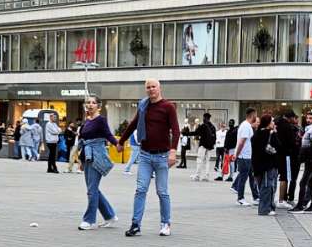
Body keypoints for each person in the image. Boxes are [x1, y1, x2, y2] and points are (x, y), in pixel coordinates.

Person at [119, 79, 180, 237]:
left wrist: (173, 151)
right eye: (148, 87)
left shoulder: (168, 106)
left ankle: (165, 223)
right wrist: (121, 141)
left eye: (154, 87)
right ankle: (135, 225)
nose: (151, 89)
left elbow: (176, 130)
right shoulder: (143, 105)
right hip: (145, 155)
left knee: (162, 192)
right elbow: (133, 124)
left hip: (162, 156)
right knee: (140, 190)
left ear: (159, 88)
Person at [77, 97, 118, 230]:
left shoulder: (101, 120)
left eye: (93, 103)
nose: (90, 105)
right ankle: (110, 216)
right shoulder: (87, 121)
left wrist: (118, 144)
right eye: (88, 102)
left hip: (97, 156)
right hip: (87, 156)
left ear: (98, 106)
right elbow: (83, 140)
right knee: (93, 189)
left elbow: (108, 135)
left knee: (92, 190)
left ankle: (89, 221)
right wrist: (81, 160)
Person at [291, 111, 312, 212]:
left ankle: (300, 205)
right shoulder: (311, 129)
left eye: (311, 118)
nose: (308, 120)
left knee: (303, 183)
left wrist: (308, 157)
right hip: (311, 160)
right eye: (307, 118)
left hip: (311, 160)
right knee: (311, 183)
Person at [251, 114, 279, 216]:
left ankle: (268, 207)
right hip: (268, 164)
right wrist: (275, 133)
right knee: (267, 186)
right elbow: (278, 146)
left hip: (257, 165)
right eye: (272, 121)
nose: (273, 123)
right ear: (268, 123)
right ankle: (264, 209)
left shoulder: (257, 134)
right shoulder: (269, 134)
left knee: (263, 186)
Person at [232, 108, 259, 206]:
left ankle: (256, 197)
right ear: (252, 115)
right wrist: (237, 154)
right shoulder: (246, 126)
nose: (256, 117)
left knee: (252, 177)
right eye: (255, 115)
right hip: (244, 156)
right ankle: (240, 198)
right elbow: (241, 142)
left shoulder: (247, 126)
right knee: (243, 178)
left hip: (248, 156)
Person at [191, 111, 216, 182]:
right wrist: (212, 144)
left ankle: (197, 176)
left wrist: (186, 133)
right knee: (207, 161)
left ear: (204, 118)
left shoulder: (203, 126)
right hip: (210, 146)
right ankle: (206, 176)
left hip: (203, 145)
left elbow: (196, 133)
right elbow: (215, 137)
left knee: (199, 160)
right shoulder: (213, 127)